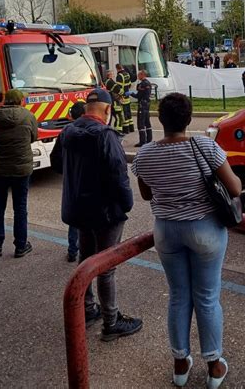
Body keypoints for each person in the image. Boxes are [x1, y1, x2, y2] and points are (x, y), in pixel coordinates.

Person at [132, 93, 242, 388]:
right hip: (204, 230)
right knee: (206, 298)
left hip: (166, 231)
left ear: (161, 119)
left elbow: (146, 195)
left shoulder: (144, 154)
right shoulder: (205, 146)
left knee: (179, 296)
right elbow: (234, 187)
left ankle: (180, 365)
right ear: (189, 119)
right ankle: (214, 367)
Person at [50, 88, 142, 340]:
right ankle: (111, 322)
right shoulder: (105, 135)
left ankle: (88, 308)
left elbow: (57, 163)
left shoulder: (67, 131)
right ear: (107, 110)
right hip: (106, 212)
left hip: (79, 209)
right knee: (106, 266)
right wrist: (126, 204)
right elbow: (118, 175)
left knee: (86, 258)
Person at [0, 89, 38, 258]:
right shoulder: (28, 116)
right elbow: (33, 137)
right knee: (20, 208)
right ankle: (20, 246)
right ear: (20, 101)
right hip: (21, 169)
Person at [64, 101, 87, 262]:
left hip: (73, 183)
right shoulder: (95, 131)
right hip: (89, 183)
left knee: (75, 218)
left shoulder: (66, 132)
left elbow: (56, 159)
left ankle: (73, 250)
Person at [130, 69, 153, 147]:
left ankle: (142, 141)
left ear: (142, 75)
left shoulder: (142, 84)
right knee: (147, 122)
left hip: (142, 105)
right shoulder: (148, 83)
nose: (138, 76)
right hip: (147, 104)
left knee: (141, 123)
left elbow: (138, 95)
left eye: (139, 74)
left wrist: (131, 93)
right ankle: (149, 139)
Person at [116, 63, 134, 134]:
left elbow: (118, 88)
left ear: (117, 68)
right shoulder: (127, 74)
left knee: (124, 113)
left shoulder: (119, 76)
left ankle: (126, 129)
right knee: (129, 112)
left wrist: (119, 95)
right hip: (127, 95)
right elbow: (129, 84)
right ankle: (131, 128)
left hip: (122, 97)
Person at [104, 69, 124, 134]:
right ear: (109, 75)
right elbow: (118, 90)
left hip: (110, 101)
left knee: (109, 118)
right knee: (119, 117)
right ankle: (118, 132)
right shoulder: (110, 82)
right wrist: (123, 92)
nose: (113, 75)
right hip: (114, 102)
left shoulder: (106, 81)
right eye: (112, 74)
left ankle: (107, 131)